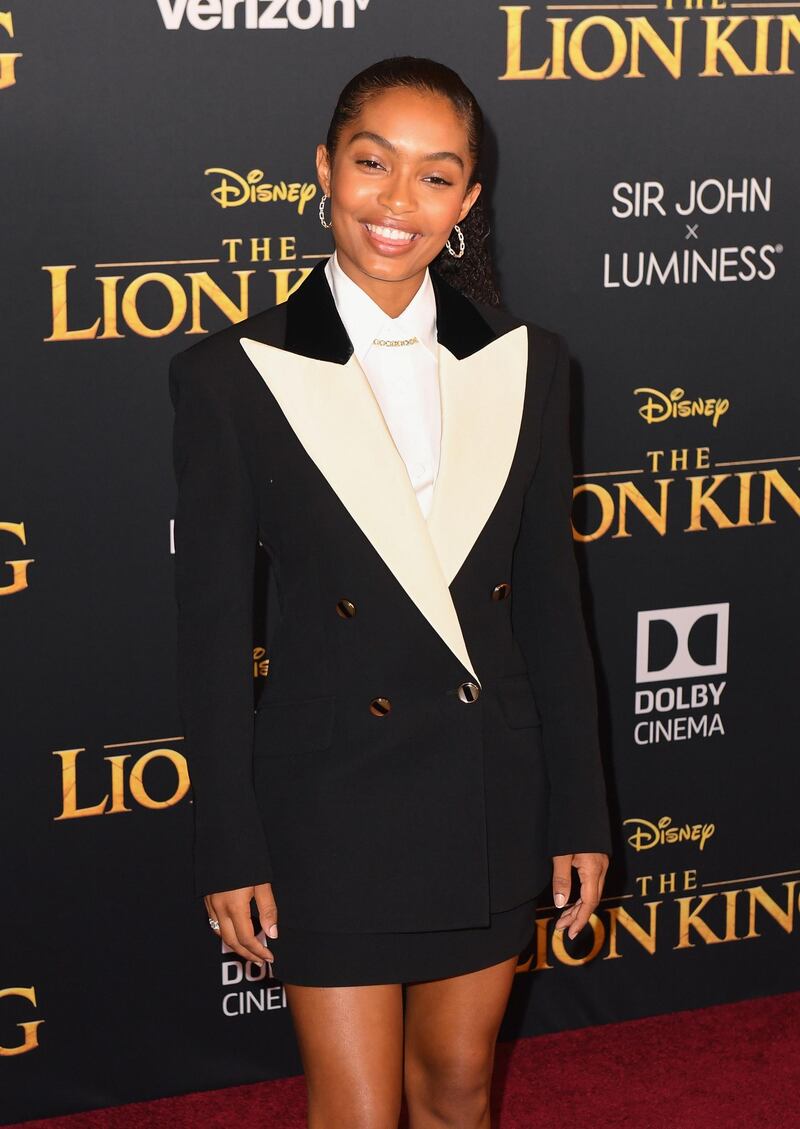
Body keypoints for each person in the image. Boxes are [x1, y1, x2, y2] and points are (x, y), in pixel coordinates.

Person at [168, 55, 613, 1129]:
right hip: (329, 802)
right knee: (358, 1112)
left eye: (433, 177)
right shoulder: (233, 373)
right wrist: (230, 840)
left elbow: (552, 604)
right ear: (324, 169)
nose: (395, 203)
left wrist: (580, 811)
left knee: (458, 1090)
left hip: (485, 789)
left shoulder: (526, 366)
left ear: (465, 202)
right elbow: (216, 632)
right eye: (373, 164)